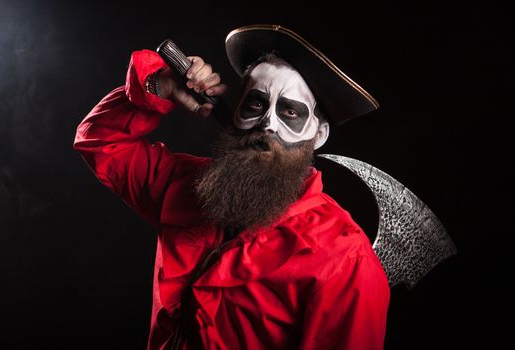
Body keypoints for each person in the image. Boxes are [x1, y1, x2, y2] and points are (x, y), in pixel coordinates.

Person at [74, 24, 390, 350]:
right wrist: (159, 86)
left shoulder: (346, 259)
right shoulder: (184, 185)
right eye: (255, 104)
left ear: (318, 134)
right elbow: (99, 143)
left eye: (290, 111)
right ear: (237, 113)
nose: (268, 123)